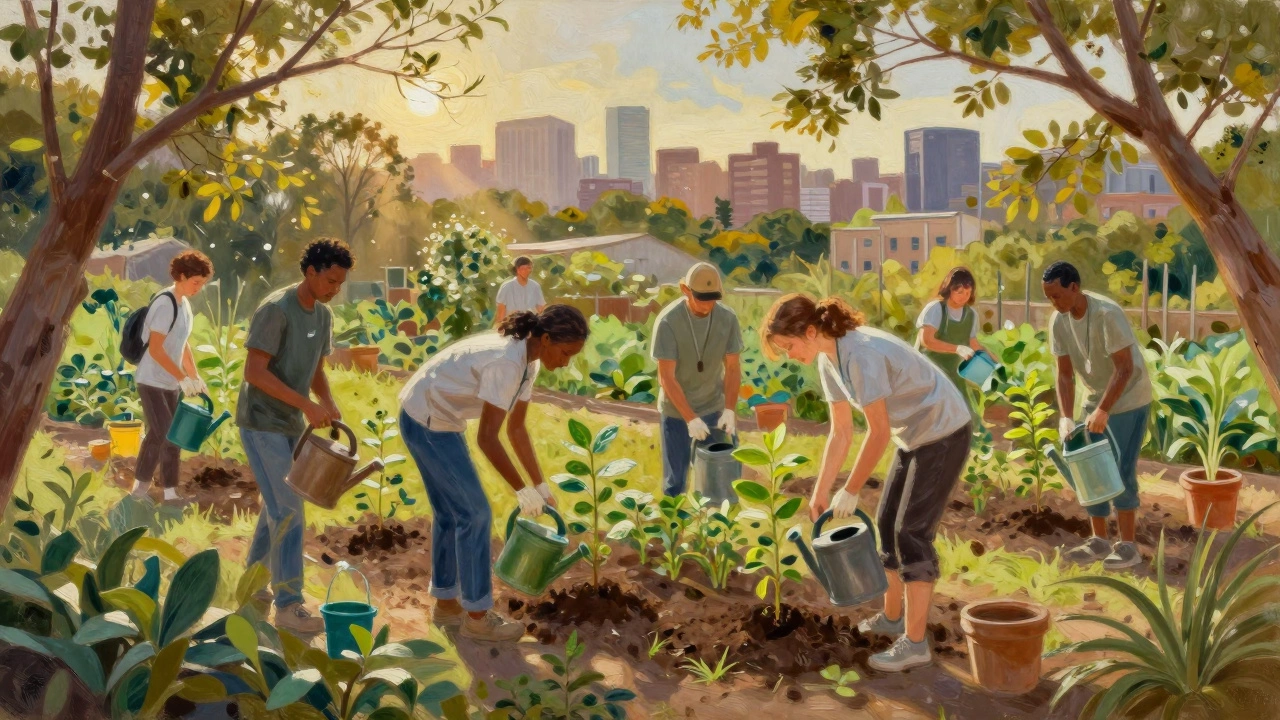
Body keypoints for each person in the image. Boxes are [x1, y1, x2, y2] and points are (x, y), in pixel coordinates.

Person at [761, 294, 971, 673]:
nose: (790, 355)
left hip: (943, 430)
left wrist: (852, 487)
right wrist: (822, 489)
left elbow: (877, 433)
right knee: (887, 522)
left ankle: (916, 643)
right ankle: (892, 618)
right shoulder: (829, 360)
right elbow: (841, 432)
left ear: (810, 331)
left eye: (790, 347)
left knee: (911, 533)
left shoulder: (861, 353)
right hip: (915, 436)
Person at [398, 305, 588, 642]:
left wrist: (540, 486)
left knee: (451, 514)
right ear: (545, 339)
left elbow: (516, 429)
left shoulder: (528, 362)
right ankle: (477, 616)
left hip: (436, 415)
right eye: (565, 352)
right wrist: (520, 489)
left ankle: (446, 605)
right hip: (425, 417)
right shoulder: (506, 362)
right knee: (475, 514)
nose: (566, 361)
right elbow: (487, 438)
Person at [238, 238, 351, 634]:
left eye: (340, 284)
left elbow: (316, 368)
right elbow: (254, 372)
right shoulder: (276, 310)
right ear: (310, 272)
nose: (335, 289)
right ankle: (289, 605)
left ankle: (253, 585)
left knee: (277, 507)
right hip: (260, 422)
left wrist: (326, 400)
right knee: (288, 510)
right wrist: (306, 405)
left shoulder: (321, 317)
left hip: (291, 426)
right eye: (330, 281)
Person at [1042, 261, 1152, 571]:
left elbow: (1125, 368)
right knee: (1088, 467)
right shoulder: (1058, 321)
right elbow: (1064, 375)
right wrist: (1066, 416)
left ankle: (1128, 546)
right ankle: (1100, 540)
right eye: (1048, 297)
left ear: (1074, 288)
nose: (1053, 303)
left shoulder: (1107, 314)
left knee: (1120, 469)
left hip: (1129, 398)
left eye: (1057, 295)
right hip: (1093, 399)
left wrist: (1104, 410)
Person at [650, 262, 742, 496]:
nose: (707, 304)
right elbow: (666, 377)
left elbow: (732, 368)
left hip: (714, 406)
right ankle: (676, 528)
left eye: (713, 298)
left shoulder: (727, 319)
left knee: (721, 476)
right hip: (677, 411)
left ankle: (717, 527)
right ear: (685, 289)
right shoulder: (669, 321)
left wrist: (729, 409)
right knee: (675, 482)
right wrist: (690, 418)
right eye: (701, 298)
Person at [131, 250, 214, 503]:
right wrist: (182, 378)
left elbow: (182, 344)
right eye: (195, 282)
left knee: (163, 435)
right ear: (180, 276)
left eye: (202, 283)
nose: (198, 288)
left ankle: (161, 492)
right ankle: (144, 491)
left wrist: (194, 376)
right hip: (152, 380)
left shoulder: (184, 305)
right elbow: (156, 349)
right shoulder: (165, 303)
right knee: (167, 434)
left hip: (170, 383)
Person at [917, 267, 985, 397]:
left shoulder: (971, 315)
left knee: (966, 414)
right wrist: (957, 349)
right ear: (949, 289)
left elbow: (974, 344)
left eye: (968, 293)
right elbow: (926, 340)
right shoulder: (936, 309)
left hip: (955, 374)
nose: (964, 297)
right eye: (960, 292)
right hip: (929, 373)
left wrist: (994, 363)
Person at [494, 256, 545, 323]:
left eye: (529, 268)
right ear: (517, 269)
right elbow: (501, 312)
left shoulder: (535, 286)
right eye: (523, 268)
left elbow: (540, 308)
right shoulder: (506, 287)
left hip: (531, 324)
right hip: (513, 324)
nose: (527, 271)